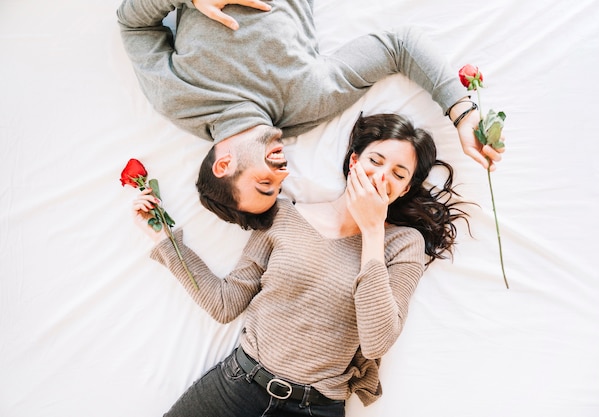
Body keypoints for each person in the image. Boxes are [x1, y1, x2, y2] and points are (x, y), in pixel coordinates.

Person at [133, 113, 469, 417]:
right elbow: (225, 303)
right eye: (375, 161)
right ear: (354, 161)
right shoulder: (284, 214)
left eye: (397, 174)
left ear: (405, 189)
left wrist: (371, 232)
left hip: (315, 407)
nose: (381, 177)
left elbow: (377, 341)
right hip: (238, 387)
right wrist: (165, 240)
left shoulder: (403, 244)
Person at [117, 0, 504, 230]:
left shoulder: (178, 100)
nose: (282, 175)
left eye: (265, 185)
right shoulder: (308, 102)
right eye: (279, 188)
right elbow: (399, 47)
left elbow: (132, 22)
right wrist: (463, 113)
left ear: (224, 165)